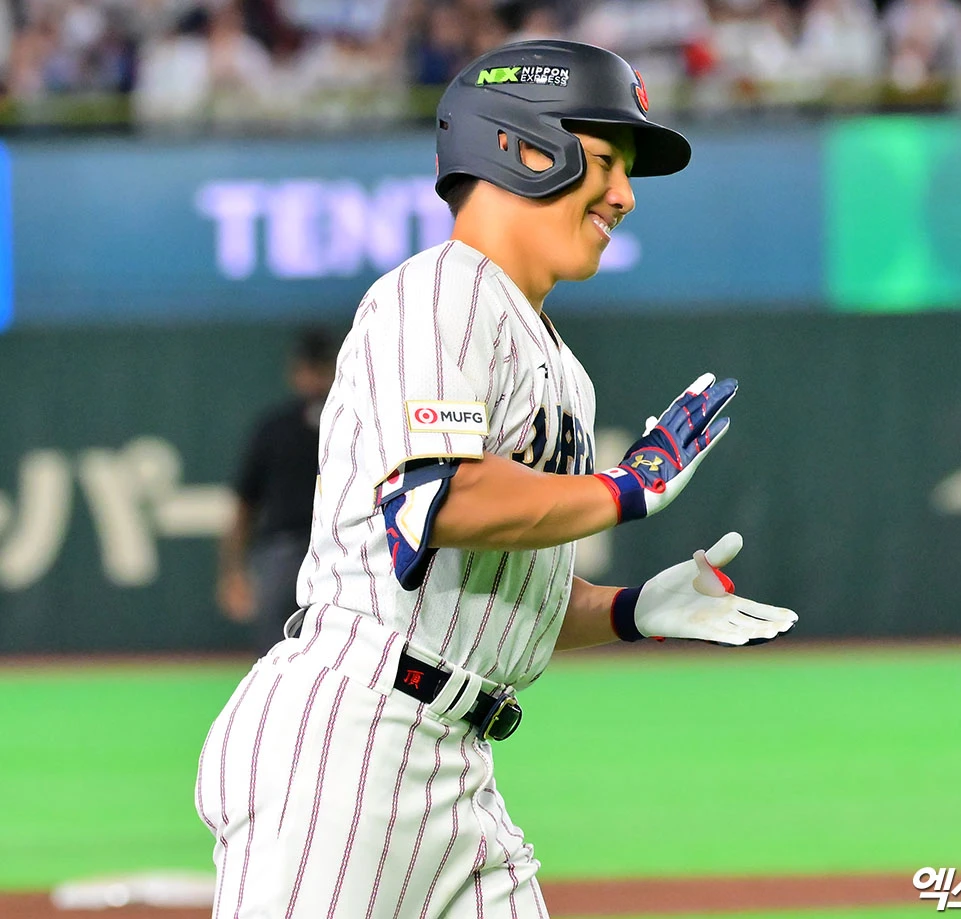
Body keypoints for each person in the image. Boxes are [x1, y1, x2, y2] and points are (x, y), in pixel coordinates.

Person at [196, 39, 797, 919]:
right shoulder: (441, 290)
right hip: (350, 744)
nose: (625, 196)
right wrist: (626, 487)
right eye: (605, 161)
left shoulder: (560, 366)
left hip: (454, 758)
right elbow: (436, 500)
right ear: (519, 145)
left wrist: (631, 609)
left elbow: (501, 595)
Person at [216, 327, 337, 654]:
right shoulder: (275, 427)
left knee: (336, 651)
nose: (315, 377)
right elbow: (245, 504)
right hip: (283, 551)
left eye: (322, 367)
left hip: (338, 550)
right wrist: (233, 571)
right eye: (309, 367)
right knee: (275, 651)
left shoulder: (353, 423)